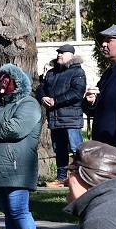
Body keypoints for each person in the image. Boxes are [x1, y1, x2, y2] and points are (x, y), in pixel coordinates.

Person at [0, 64, 43, 229]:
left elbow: (16, 129)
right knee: (8, 212)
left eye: (7, 81)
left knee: (19, 210)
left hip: (17, 167)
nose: (2, 86)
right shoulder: (1, 107)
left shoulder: (28, 103)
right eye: (0, 81)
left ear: (16, 83)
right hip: (0, 168)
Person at [36, 44, 86, 188]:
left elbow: (77, 93)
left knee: (76, 148)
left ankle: (81, 177)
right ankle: (61, 178)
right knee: (60, 150)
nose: (59, 55)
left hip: (71, 119)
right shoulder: (51, 73)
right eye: (58, 52)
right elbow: (41, 88)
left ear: (71, 56)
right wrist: (42, 98)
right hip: (55, 119)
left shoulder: (78, 72)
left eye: (62, 53)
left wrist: (55, 101)